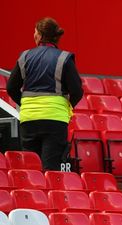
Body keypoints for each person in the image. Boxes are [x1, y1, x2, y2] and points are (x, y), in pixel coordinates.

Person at [7, 17, 83, 171]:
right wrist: (66, 106)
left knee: (31, 169)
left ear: (41, 35)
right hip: (55, 119)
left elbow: (11, 87)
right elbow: (77, 91)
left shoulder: (24, 57)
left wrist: (26, 104)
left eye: (35, 32)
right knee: (51, 169)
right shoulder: (64, 58)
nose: (33, 35)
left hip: (29, 119)